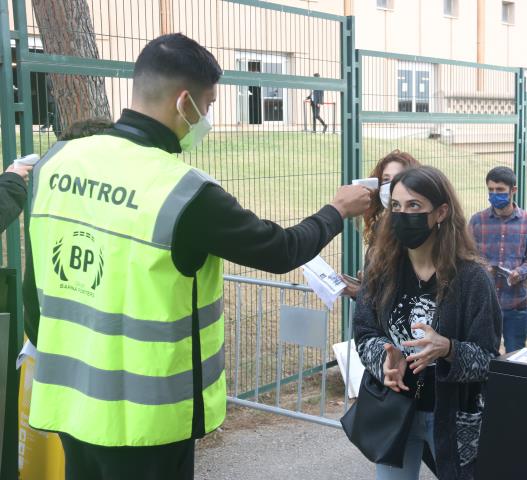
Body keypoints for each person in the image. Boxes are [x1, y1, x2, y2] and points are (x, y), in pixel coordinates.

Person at [23, 34, 371, 480]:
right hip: (145, 422)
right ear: (184, 102)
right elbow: (281, 250)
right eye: (207, 107)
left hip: (71, 403)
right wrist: (337, 210)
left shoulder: (58, 162)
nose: (205, 118)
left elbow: (37, 290)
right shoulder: (184, 193)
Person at [354, 166, 502, 480]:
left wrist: (447, 348)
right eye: (396, 206)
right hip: (395, 411)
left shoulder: (472, 279)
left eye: (414, 206)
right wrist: (384, 359)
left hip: (452, 416)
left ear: (441, 212)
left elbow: (488, 359)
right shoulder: (381, 268)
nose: (402, 215)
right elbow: (365, 331)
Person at [469, 166, 527, 353]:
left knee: (515, 358)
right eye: (490, 190)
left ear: (513, 190)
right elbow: (468, 257)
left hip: (515, 303)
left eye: (499, 190)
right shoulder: (477, 221)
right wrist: (483, 269)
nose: (494, 194)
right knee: (483, 355)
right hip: (484, 304)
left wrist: (520, 272)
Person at [343, 150, 420, 298]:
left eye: (398, 178)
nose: (390, 185)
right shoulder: (379, 226)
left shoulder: (416, 231)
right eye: (386, 179)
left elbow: (408, 289)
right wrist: (368, 283)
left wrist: (363, 293)